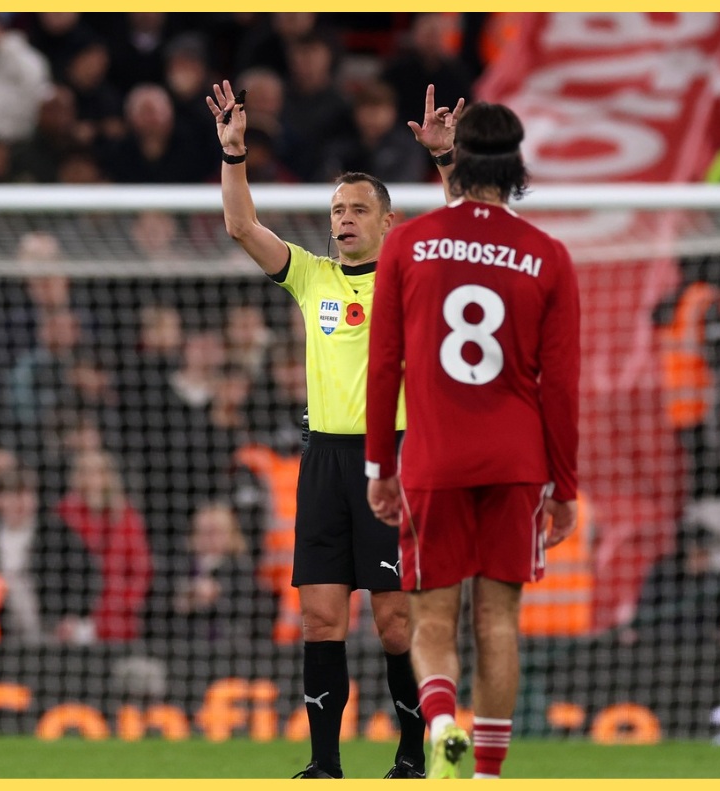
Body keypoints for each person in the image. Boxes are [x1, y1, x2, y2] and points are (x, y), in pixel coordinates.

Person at [208, 78, 427, 779]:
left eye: (358, 208)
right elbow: (242, 227)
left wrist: (446, 161)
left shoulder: (414, 277)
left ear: (388, 222)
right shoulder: (311, 277)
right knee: (319, 620)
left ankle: (410, 755)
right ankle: (324, 763)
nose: (343, 219)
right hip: (325, 460)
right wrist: (234, 156)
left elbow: (464, 234)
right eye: (336, 209)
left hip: (394, 460)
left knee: (396, 624)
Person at [364, 101, 580, 779]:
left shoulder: (405, 243)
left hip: (433, 457)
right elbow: (560, 387)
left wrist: (378, 463)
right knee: (497, 623)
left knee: (432, 620)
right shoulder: (548, 256)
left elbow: (383, 363)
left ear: (456, 162)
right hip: (515, 460)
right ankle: (485, 774)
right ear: (516, 165)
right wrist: (564, 488)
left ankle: (441, 726)